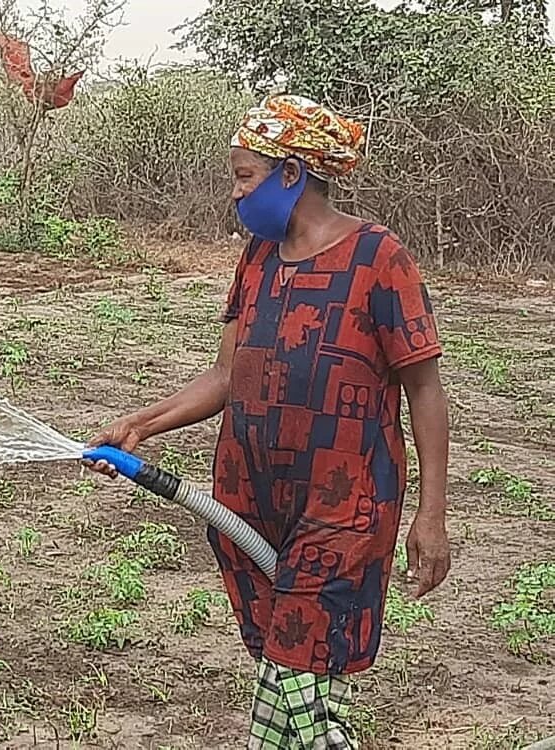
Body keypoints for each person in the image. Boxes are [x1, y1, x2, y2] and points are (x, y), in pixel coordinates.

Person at [86, 94, 451, 749]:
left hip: (345, 504)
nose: (235, 193)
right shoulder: (257, 259)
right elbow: (227, 375)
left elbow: (425, 388)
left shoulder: (378, 258)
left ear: (291, 175)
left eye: (243, 175)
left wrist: (431, 514)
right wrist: (141, 422)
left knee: (296, 664)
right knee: (292, 677)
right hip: (249, 498)